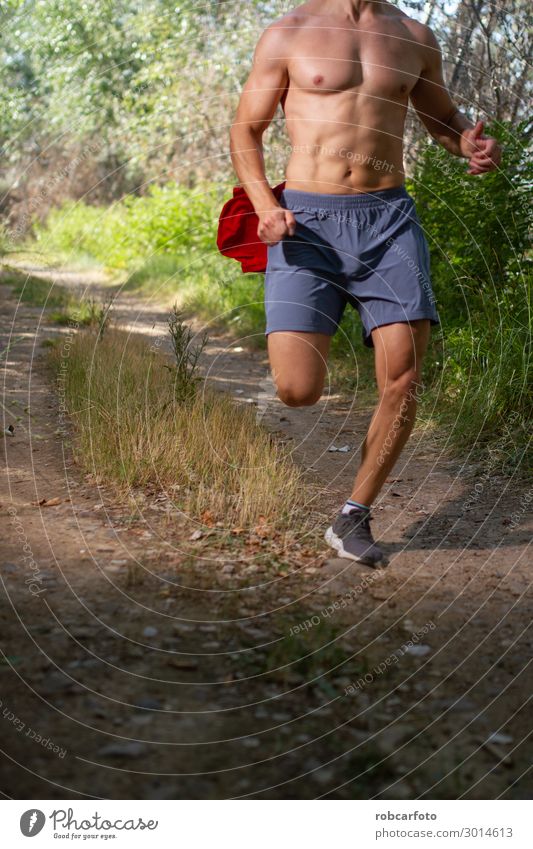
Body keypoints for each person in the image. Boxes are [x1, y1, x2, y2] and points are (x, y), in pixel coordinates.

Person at [229, 0, 501, 566]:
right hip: (305, 221)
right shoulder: (289, 33)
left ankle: (353, 515)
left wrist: (469, 146)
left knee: (403, 376)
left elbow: (443, 121)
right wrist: (263, 205)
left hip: (388, 221)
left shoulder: (414, 36)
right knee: (297, 390)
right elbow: (245, 130)